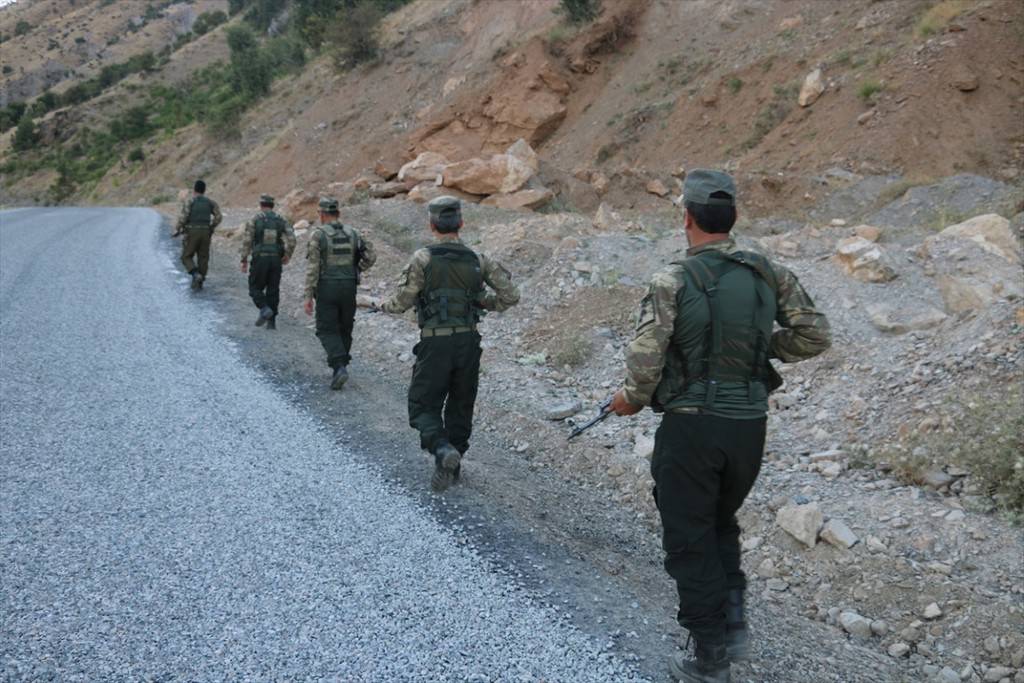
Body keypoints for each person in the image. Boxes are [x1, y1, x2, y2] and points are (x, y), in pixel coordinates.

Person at [609, 170, 831, 683]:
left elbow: (645, 358)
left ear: (686, 217)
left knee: (689, 537)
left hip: (693, 429)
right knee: (719, 522)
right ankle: (731, 627)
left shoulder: (672, 280)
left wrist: (630, 399)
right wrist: (754, 348)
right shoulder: (767, 271)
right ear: (733, 217)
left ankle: (709, 656)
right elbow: (815, 335)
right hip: (749, 428)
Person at [378, 196, 520, 492]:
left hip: (435, 343)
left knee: (422, 404)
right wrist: (481, 300)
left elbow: (402, 301)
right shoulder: (479, 259)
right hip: (468, 342)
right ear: (461, 223)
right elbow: (510, 296)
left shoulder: (422, 258)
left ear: (432, 225)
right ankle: (454, 466)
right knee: (461, 403)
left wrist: (381, 305)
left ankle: (442, 449)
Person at [303, 197, 376, 389]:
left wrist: (308, 296)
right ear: (338, 213)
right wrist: (356, 269)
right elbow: (371, 256)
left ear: (321, 214)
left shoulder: (318, 235)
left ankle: (338, 366)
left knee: (326, 328)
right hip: (349, 286)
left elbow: (312, 268)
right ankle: (342, 364)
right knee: (345, 326)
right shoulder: (354, 233)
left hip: (327, 287)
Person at [240, 194, 296, 330]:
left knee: (254, 288)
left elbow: (247, 241)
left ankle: (264, 309)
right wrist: (287, 255)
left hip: (260, 259)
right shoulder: (281, 220)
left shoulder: (255, 220)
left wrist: (244, 259)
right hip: (276, 259)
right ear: (272, 205)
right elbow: (292, 240)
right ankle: (272, 322)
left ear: (261, 205)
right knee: (273, 289)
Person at [174, 179, 223, 290]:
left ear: (194, 190)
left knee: (186, 256)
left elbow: (183, 218)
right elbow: (219, 217)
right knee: (203, 258)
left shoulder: (190, 202)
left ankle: (195, 274)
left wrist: (177, 229)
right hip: (206, 232)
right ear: (204, 190)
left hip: (192, 232)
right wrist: (211, 227)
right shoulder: (210, 202)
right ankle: (199, 283)